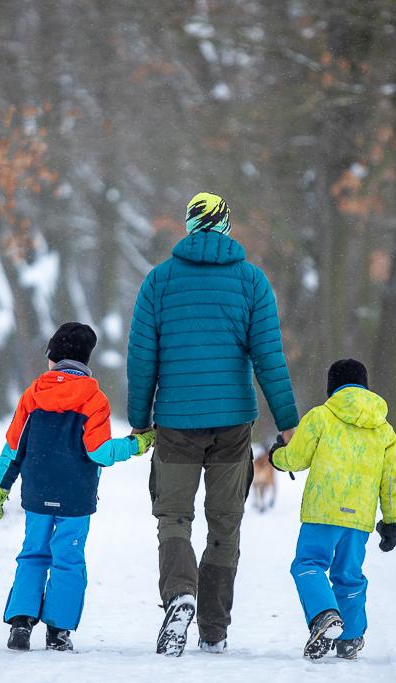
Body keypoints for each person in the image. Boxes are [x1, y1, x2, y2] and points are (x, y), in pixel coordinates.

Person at [127, 191, 299, 656]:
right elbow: (269, 359)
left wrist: (139, 420)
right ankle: (214, 628)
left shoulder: (159, 282)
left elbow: (143, 359)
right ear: (226, 225)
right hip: (232, 425)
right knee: (226, 522)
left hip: (176, 422)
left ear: (188, 225)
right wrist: (288, 424)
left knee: (173, 517)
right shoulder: (252, 282)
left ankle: (180, 594)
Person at [0, 322, 156, 652]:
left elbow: (13, 446)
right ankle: (59, 631)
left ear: (53, 358)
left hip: (37, 494)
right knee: (68, 558)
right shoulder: (94, 399)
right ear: (85, 360)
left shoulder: (33, 394)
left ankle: (21, 624)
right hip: (76, 497)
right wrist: (135, 445)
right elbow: (99, 452)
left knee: (33, 553)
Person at [269, 358, 396, 661]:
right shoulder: (385, 431)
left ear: (332, 386)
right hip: (359, 518)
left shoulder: (321, 417)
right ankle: (351, 637)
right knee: (349, 574)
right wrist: (392, 521)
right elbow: (392, 479)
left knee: (308, 564)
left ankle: (324, 615)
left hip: (323, 511)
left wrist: (278, 455)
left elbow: (297, 458)